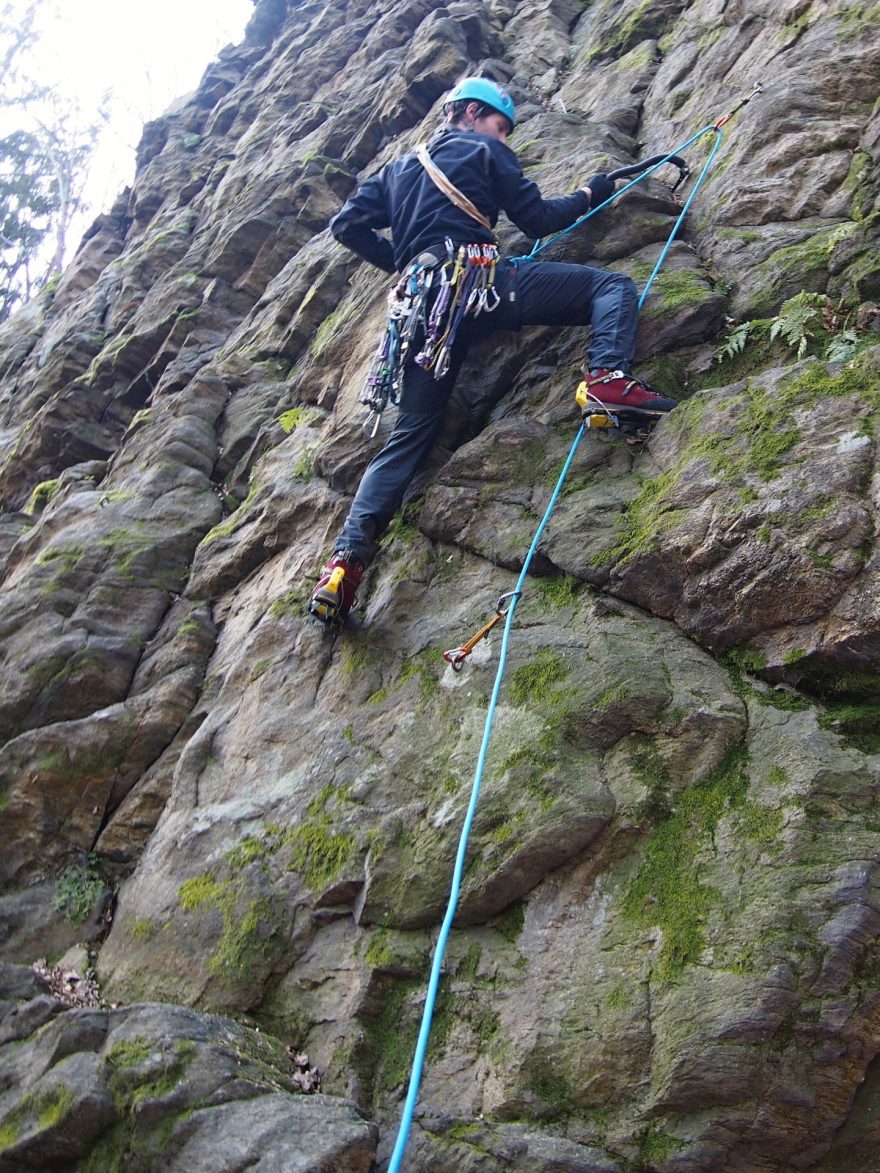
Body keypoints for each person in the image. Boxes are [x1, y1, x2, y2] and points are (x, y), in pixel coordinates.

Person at [308, 76, 676, 626]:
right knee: (612, 288)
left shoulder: (394, 171)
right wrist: (594, 190)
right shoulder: (482, 152)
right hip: (479, 285)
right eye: (502, 127)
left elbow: (346, 225)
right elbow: (541, 220)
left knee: (408, 438)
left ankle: (343, 564)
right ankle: (606, 379)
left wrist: (410, 265)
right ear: (474, 115)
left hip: (421, 311)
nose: (504, 139)